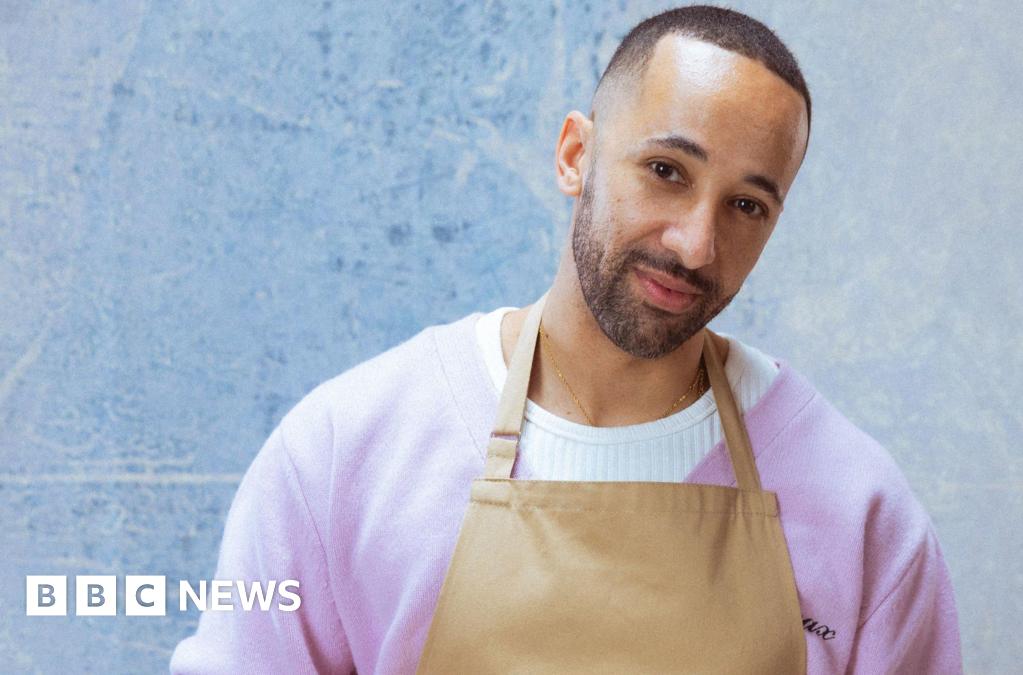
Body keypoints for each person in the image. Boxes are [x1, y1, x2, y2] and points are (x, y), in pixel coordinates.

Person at [171, 5, 961, 673]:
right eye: (666, 170)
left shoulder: (862, 515)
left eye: (746, 206)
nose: (695, 244)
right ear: (575, 155)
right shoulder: (345, 454)